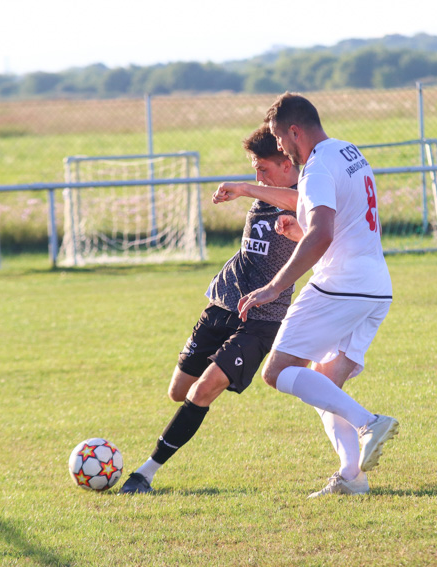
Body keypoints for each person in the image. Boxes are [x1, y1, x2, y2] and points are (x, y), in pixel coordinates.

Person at [213, 92, 399, 498]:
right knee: (323, 386)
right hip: (375, 288)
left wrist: (274, 286)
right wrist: (293, 228)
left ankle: (370, 423)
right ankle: (352, 477)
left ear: (295, 131)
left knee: (277, 372)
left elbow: (322, 232)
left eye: (280, 139)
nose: (279, 147)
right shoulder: (349, 153)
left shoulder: (315, 168)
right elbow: (335, 224)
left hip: (340, 286)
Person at [119, 125, 300, 494]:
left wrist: (246, 188)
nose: (257, 176)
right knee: (178, 391)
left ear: (287, 163)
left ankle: (144, 475)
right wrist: (252, 186)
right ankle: (165, 447)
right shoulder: (266, 193)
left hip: (262, 317)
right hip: (222, 302)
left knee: (203, 390)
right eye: (254, 169)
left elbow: (303, 204)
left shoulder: (307, 193)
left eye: (263, 168)